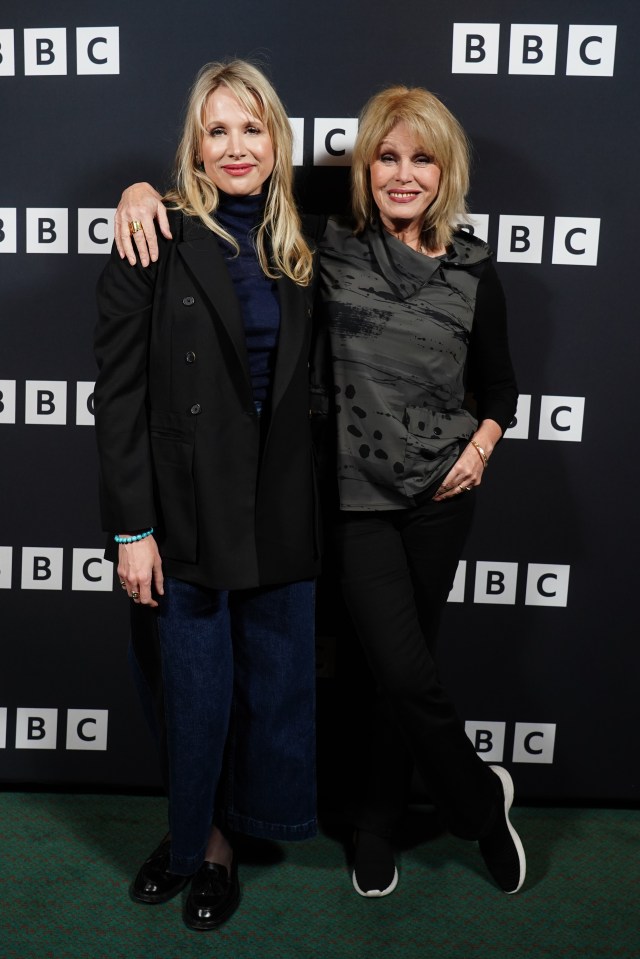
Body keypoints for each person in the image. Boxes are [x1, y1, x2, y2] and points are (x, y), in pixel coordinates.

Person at [114, 83, 525, 899]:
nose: (403, 174)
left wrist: (482, 445)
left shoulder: (463, 263)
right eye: (387, 158)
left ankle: (374, 820)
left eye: (424, 159)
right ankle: (480, 801)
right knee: (386, 670)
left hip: (429, 498)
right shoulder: (327, 234)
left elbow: (502, 386)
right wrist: (140, 192)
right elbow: (246, 179)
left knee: (399, 669)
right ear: (364, 168)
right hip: (342, 501)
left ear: (449, 171)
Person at [94, 60, 321, 932]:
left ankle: (242, 828)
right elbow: (116, 395)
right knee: (193, 687)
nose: (236, 146)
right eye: (218, 129)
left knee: (271, 685)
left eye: (253, 128)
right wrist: (130, 530)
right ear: (195, 140)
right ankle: (201, 844)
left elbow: (399, 168)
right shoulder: (154, 234)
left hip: (279, 502)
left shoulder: (307, 229)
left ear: (277, 141)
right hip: (183, 506)